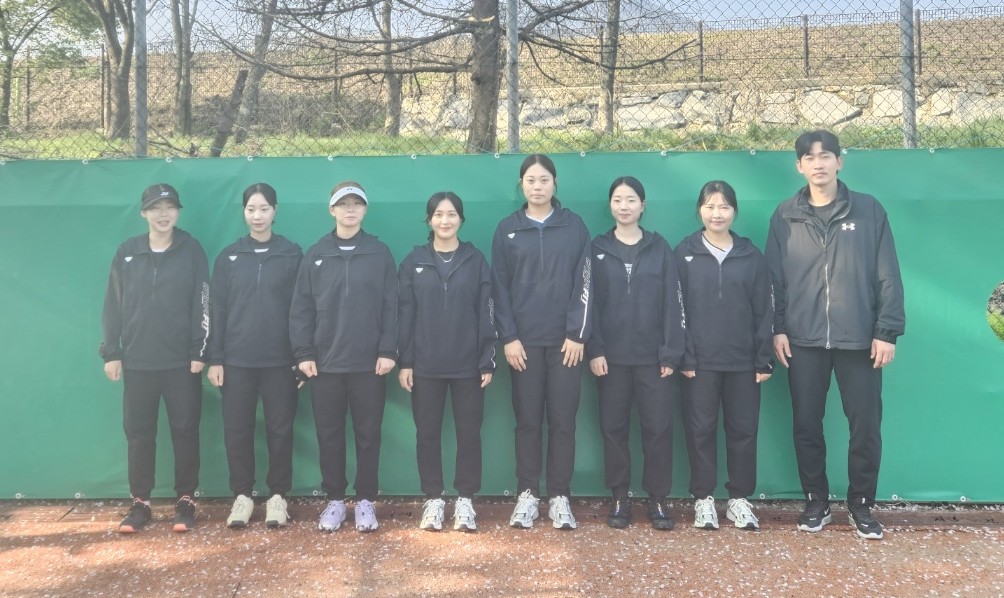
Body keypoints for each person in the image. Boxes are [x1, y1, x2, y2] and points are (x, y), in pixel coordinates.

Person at [765, 130, 905, 540]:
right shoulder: (785, 215)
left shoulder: (869, 210)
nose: (819, 163)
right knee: (806, 424)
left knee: (866, 426)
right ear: (799, 166)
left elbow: (887, 274)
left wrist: (886, 331)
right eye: (810, 157)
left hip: (859, 339)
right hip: (802, 339)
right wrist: (777, 328)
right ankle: (816, 501)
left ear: (839, 162)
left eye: (826, 155)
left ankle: (861, 504)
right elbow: (774, 280)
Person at [100, 183, 210, 533]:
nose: (163, 214)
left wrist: (199, 351)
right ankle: (140, 503)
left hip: (181, 362)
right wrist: (112, 351)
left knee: (185, 430)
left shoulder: (191, 249)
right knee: (139, 433)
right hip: (137, 361)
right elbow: (113, 303)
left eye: (169, 207)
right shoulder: (127, 252)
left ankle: (186, 500)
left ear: (178, 212)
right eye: (156, 208)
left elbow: (203, 301)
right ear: (143, 213)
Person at [289, 181, 397, 533]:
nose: (350, 209)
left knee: (368, 435)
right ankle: (335, 500)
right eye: (343, 203)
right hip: (325, 366)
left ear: (364, 209)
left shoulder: (379, 253)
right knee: (329, 435)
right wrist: (304, 353)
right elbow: (301, 308)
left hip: (369, 365)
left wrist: (387, 350)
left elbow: (392, 306)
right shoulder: (316, 254)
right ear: (331, 209)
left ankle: (365, 501)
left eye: (356, 203)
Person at [492, 154, 592, 530]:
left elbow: (585, 282)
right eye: (531, 180)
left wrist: (577, 334)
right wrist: (509, 337)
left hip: (566, 345)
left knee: (563, 421)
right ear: (521, 185)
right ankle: (528, 495)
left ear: (555, 184)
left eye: (544, 180)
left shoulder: (574, 226)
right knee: (528, 421)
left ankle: (560, 497)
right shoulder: (507, 229)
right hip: (524, 346)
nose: (537, 186)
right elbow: (499, 287)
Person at [586, 176, 685, 531]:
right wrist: (595, 349)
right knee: (613, 429)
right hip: (610, 360)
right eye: (617, 200)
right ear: (610, 205)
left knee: (657, 429)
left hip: (653, 360)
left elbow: (673, 303)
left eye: (631, 200)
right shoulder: (597, 248)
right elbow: (589, 305)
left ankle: (657, 499)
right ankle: (619, 497)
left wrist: (670, 352)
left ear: (643, 206)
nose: (624, 206)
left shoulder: (660, 248)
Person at [676, 180, 774, 531]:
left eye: (724, 207)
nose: (716, 214)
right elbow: (675, 309)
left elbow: (765, 308)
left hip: (743, 363)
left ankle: (739, 499)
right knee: (700, 429)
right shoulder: (684, 252)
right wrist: (684, 356)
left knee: (743, 430)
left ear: (734, 211)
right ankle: (703, 499)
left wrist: (763, 357)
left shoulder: (751, 255)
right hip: (698, 363)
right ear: (699, 210)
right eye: (710, 206)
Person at [397, 192, 496, 532]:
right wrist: (406, 361)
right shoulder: (414, 261)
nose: (445, 220)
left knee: (469, 434)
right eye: (438, 214)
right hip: (425, 366)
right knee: (427, 434)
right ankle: (434, 499)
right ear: (429, 220)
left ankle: (466, 500)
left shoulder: (475, 260)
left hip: (468, 366)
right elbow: (405, 314)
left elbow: (487, 310)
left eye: (451, 214)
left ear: (461, 219)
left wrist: (487, 359)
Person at [206, 183, 303, 529]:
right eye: (251, 209)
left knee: (280, 429)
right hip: (236, 362)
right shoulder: (229, 256)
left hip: (281, 362)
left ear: (275, 211)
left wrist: (301, 357)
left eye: (264, 209)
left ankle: (278, 496)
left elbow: (302, 309)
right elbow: (217, 309)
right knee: (237, 430)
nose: (257, 215)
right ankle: (243, 496)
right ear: (244, 212)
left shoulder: (292, 254)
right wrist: (216, 358)